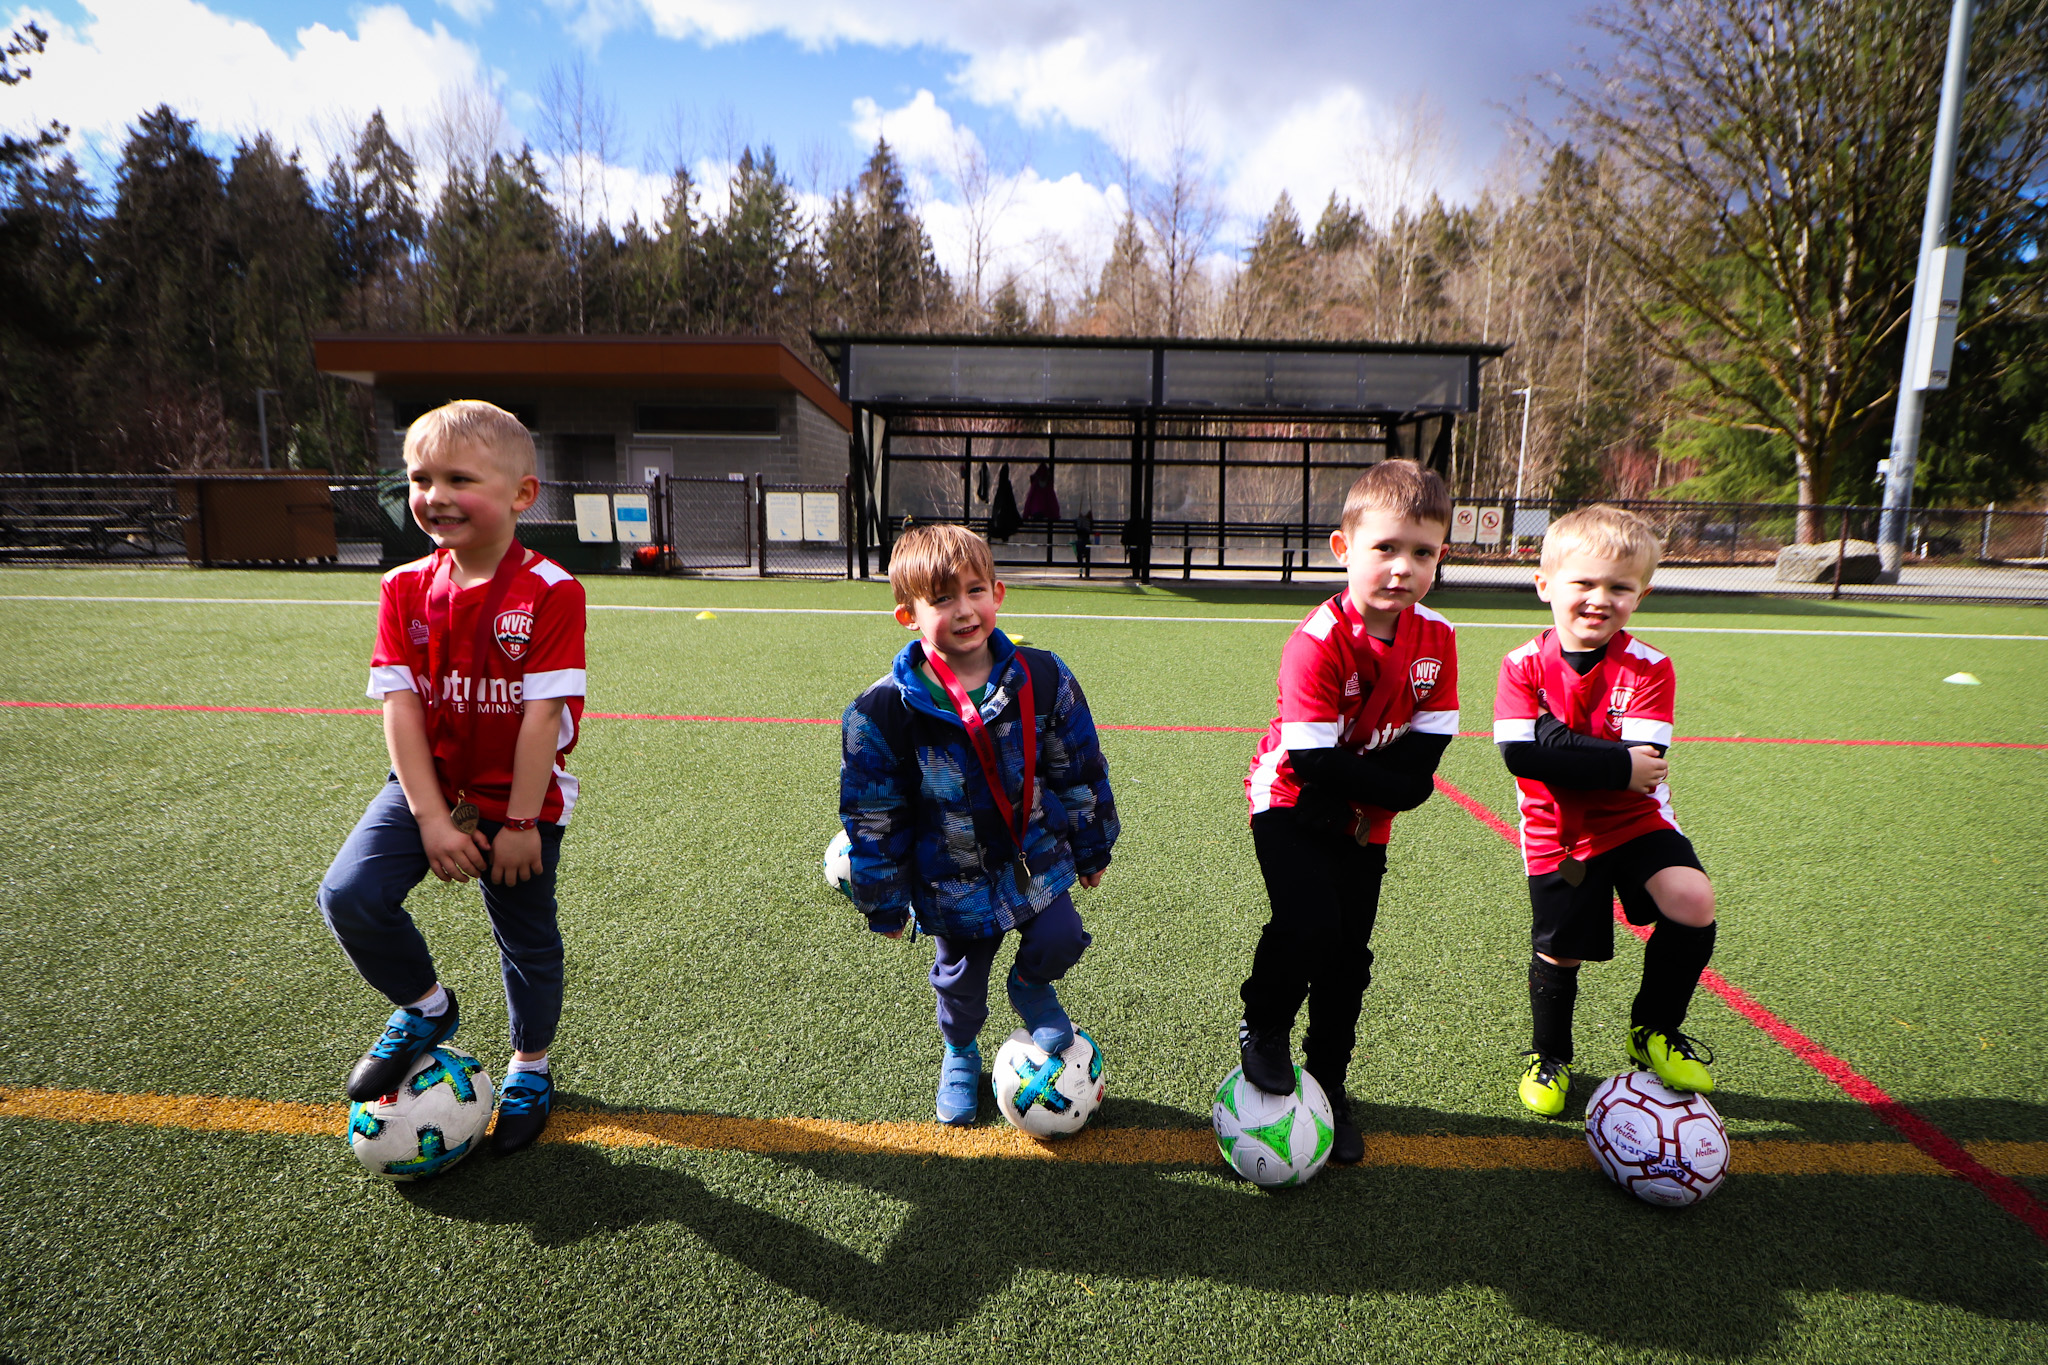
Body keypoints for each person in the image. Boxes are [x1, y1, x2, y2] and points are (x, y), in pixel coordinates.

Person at [317, 400, 587, 1156]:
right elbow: (400, 705)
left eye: (458, 478)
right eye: (419, 477)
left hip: (519, 803)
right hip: (429, 790)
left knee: (526, 939)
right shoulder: (402, 587)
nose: (433, 494)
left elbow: (541, 719)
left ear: (520, 496)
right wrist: (433, 818)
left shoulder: (552, 592)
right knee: (348, 894)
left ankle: (530, 1065)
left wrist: (522, 823)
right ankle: (426, 1006)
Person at [840, 524, 1119, 1125]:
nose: (964, 610)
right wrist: (885, 905)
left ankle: (1030, 987)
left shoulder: (1042, 678)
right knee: (960, 985)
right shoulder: (883, 711)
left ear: (998, 592)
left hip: (1034, 859)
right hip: (952, 879)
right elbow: (874, 816)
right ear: (907, 615)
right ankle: (961, 1052)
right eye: (941, 599)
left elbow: (1078, 768)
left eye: (974, 591)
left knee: (1062, 937)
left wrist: (1091, 848)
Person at [1237, 460, 1460, 1164]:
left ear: (1440, 558)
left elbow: (1430, 747)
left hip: (1366, 818)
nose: (1403, 567)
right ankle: (1263, 1026)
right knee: (1310, 924)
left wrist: (1393, 789)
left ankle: (1329, 1082)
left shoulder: (1439, 638)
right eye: (1386, 547)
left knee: (1348, 960)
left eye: (1421, 552)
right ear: (1344, 548)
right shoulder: (1318, 640)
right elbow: (1312, 762)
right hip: (1290, 802)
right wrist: (1397, 787)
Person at [1494, 504, 1719, 1117]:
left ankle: (1653, 1031)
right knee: (1560, 951)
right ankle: (1550, 1056)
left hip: (1636, 821)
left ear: (1639, 595)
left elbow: (1644, 764)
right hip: (1557, 835)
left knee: (1692, 901)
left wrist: (1559, 744)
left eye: (1619, 587)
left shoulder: (1650, 666)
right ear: (1545, 585)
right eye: (1584, 583)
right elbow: (1520, 754)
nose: (1600, 599)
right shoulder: (1521, 664)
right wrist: (1613, 762)